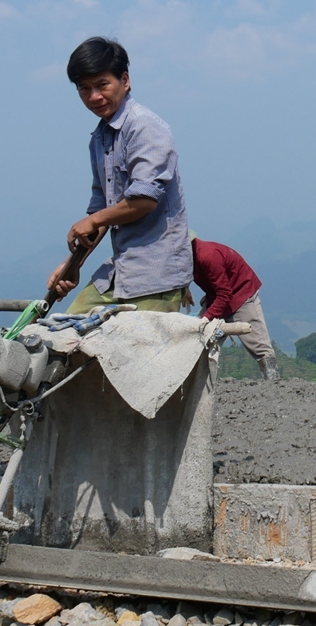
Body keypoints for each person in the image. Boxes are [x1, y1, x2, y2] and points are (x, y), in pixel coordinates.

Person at [48, 37, 193, 313]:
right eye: (84, 88)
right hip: (122, 270)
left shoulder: (144, 126)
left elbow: (144, 201)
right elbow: (102, 212)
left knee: (137, 354)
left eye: (102, 85)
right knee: (65, 334)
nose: (94, 96)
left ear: (124, 80)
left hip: (155, 276)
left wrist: (92, 219)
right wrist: (71, 267)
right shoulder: (100, 138)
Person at [193, 237, 280, 380]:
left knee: (259, 347)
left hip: (241, 294)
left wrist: (205, 318)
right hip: (215, 296)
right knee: (197, 337)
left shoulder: (207, 256)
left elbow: (224, 294)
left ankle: (274, 384)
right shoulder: (183, 257)